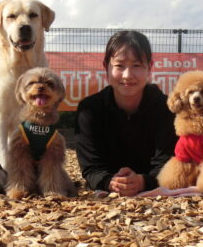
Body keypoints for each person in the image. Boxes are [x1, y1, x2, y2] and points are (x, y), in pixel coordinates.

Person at [75, 30, 177, 196]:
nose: (128, 75)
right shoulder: (89, 109)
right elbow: (91, 167)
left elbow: (169, 163)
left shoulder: (166, 108)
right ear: (105, 67)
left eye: (136, 65)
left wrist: (144, 181)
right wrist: (110, 182)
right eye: (119, 66)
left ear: (149, 67)